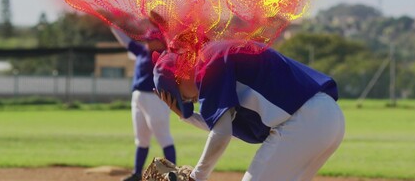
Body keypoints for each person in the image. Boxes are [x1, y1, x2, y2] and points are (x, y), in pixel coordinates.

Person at [153, 40, 345, 181]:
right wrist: (186, 117)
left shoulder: (208, 65)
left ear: (180, 76)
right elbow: (223, 125)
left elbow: (221, 133)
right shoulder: (214, 55)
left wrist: (196, 177)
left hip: (304, 122)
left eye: (182, 96)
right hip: (327, 118)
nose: (189, 100)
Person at [111, 27, 176, 181]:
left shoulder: (165, 54)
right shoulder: (141, 51)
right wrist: (111, 24)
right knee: (141, 138)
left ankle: (174, 174)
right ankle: (137, 173)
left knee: (163, 137)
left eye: (151, 40)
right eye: (147, 39)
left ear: (160, 41)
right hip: (138, 98)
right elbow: (125, 41)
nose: (147, 42)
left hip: (156, 99)